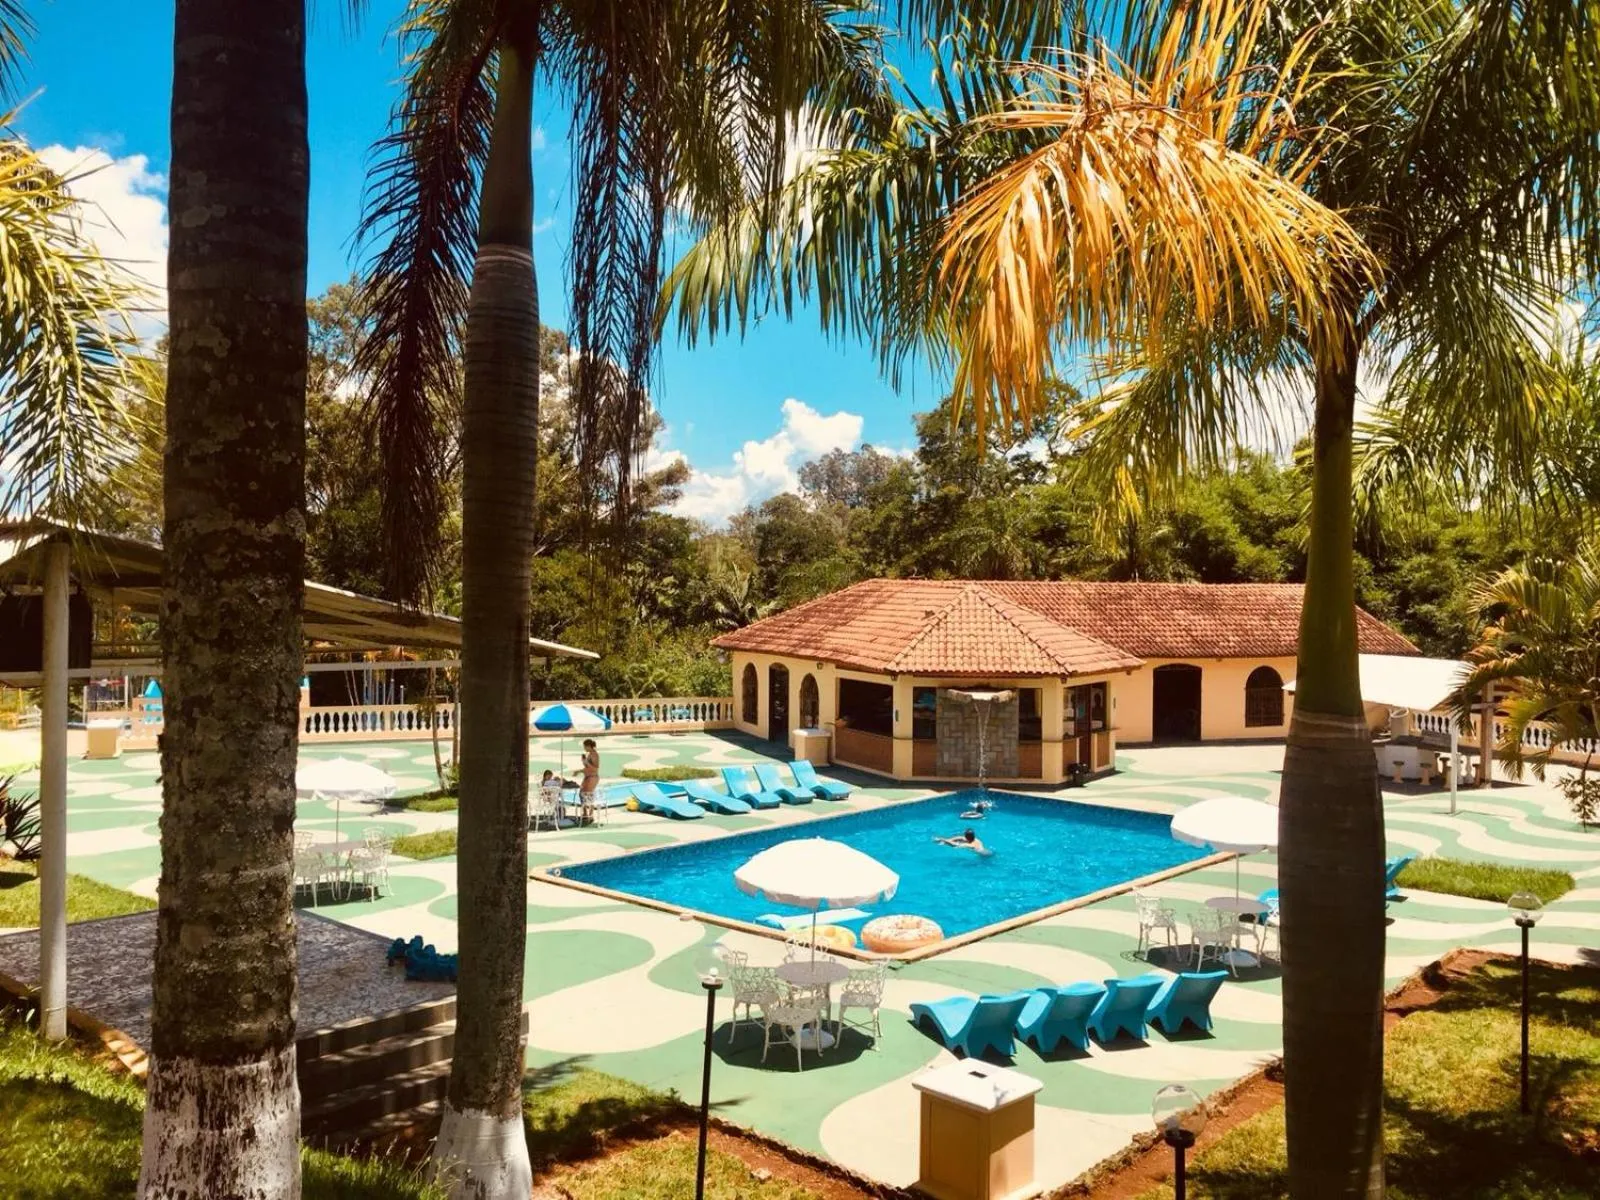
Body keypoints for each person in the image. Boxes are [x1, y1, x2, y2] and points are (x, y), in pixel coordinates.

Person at [578, 738, 601, 823]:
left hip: (592, 777)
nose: (584, 748)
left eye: (585, 746)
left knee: (588, 795)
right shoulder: (590, 754)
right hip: (588, 776)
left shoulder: (594, 755)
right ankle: (585, 813)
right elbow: (588, 767)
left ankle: (590, 815)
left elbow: (595, 769)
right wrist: (583, 762)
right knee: (581, 794)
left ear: (588, 746)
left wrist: (586, 763)